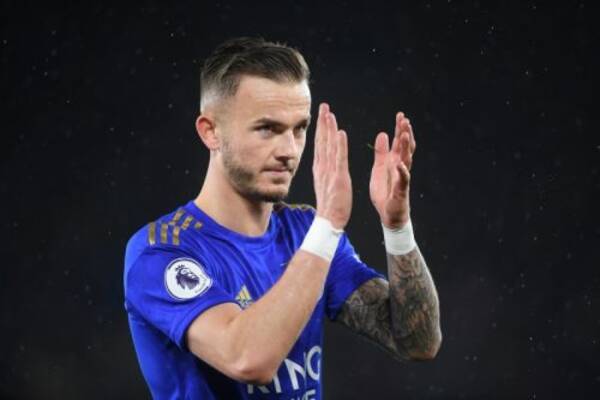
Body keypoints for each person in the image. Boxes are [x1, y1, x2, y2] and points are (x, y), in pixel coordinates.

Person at [124, 37, 442, 399]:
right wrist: (328, 226)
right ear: (210, 131)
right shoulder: (162, 252)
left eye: (299, 129)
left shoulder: (304, 232)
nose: (289, 151)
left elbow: (417, 343)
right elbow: (249, 359)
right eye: (267, 129)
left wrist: (397, 226)